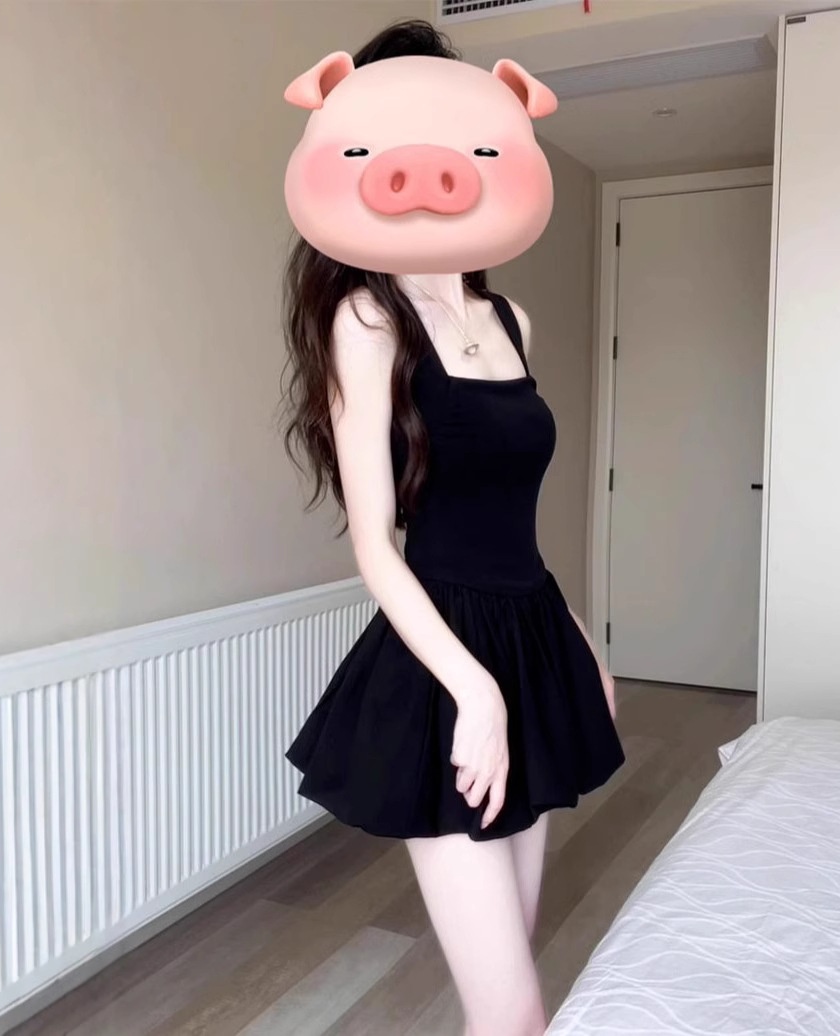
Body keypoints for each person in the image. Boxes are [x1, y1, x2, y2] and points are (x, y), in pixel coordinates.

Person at [279, 19, 624, 1036]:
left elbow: (510, 519)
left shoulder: (513, 322)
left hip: (530, 638)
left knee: (507, 975)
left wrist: (578, 641)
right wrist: (473, 691)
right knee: (515, 1010)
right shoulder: (365, 319)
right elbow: (375, 544)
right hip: (443, 662)